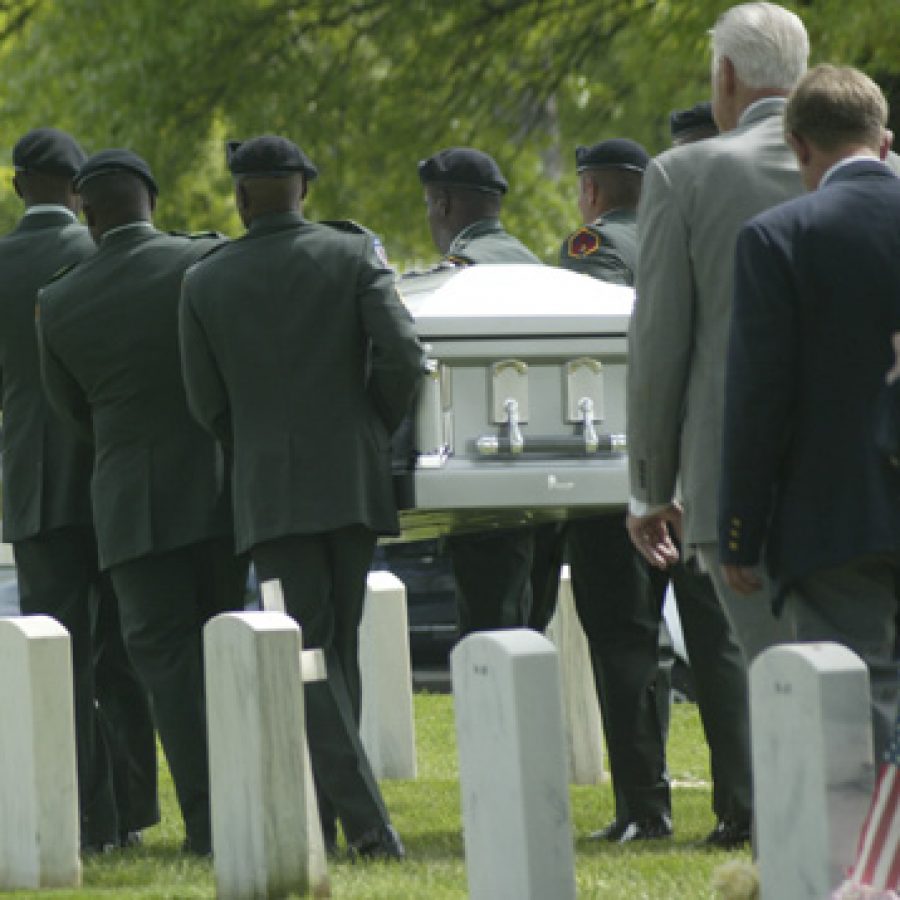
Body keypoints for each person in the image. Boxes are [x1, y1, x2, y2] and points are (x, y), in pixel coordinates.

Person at [180, 135, 422, 859]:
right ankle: (343, 818)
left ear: (242, 196)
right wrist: (369, 426)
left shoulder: (205, 279)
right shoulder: (352, 256)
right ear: (303, 189)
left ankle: (364, 825)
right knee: (329, 649)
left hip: (272, 493)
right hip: (350, 480)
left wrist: (254, 444)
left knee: (310, 656)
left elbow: (206, 404)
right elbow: (404, 354)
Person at [37, 149, 246, 857]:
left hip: (129, 505)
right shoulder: (206, 261)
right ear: (152, 199)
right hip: (218, 494)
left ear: (86, 214)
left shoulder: (60, 301)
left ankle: (209, 824)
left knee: (168, 671)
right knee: (229, 650)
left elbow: (74, 417)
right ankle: (250, 801)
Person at [719, 64, 900, 759]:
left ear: (798, 146)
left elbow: (759, 395)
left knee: (855, 701)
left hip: (835, 508)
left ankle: (867, 865)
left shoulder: (777, 237)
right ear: (884, 142)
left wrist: (741, 527)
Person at [626, 0, 809, 666]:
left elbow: (660, 341)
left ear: (725, 75)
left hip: (731, 483)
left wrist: (651, 485)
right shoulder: (885, 175)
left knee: (781, 685)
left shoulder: (683, 174)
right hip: (869, 481)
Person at [0, 128, 158, 852]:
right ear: (77, 192)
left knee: (56, 651)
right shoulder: (108, 248)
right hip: (117, 469)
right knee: (124, 650)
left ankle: (87, 813)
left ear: (15, 186)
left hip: (37, 477)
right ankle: (132, 807)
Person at [415, 146, 543, 637]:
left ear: (444, 204)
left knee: (489, 629)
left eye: (430, 204)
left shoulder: (459, 270)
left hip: (485, 472)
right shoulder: (532, 264)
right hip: (544, 468)